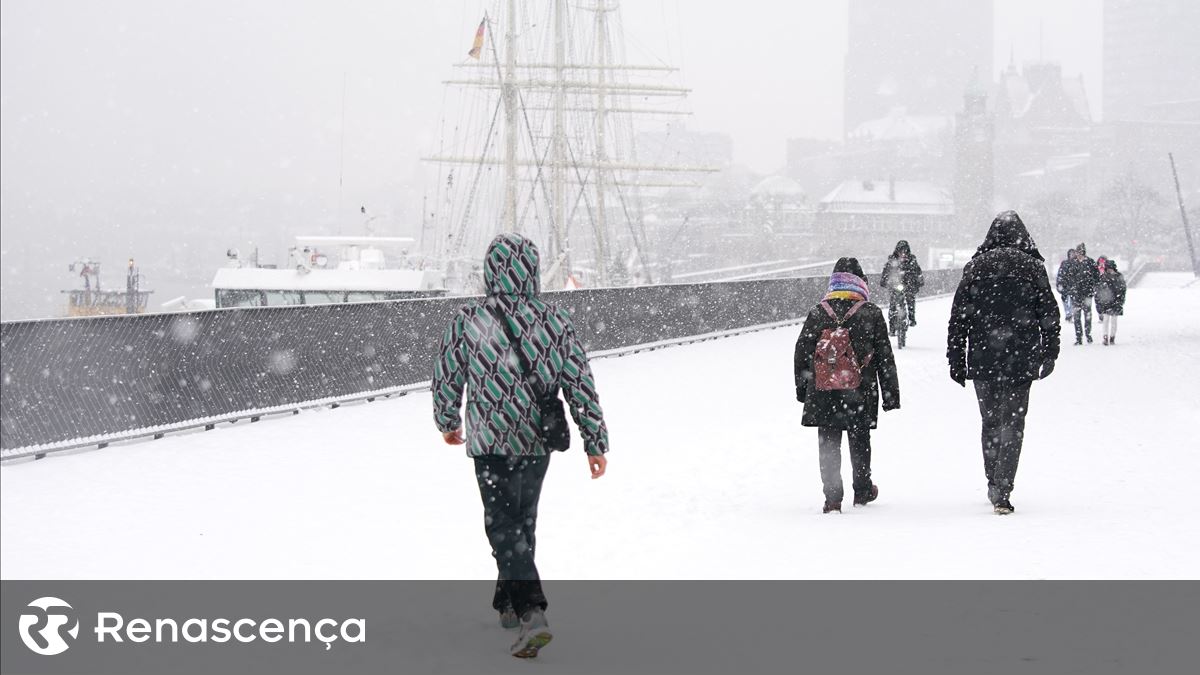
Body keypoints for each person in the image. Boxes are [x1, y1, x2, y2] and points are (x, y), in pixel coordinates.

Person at [432, 233, 610, 658]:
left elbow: (446, 376)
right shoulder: (555, 320)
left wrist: (447, 420)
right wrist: (594, 441)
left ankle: (531, 611)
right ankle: (507, 602)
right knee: (521, 520)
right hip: (536, 439)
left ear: (489, 270)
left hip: (492, 439)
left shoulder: (468, 319)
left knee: (502, 523)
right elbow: (580, 384)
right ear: (532, 269)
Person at [947, 211, 1060, 515]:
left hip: (984, 358)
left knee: (990, 421)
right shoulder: (1033, 268)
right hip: (1021, 359)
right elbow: (1049, 314)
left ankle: (992, 478)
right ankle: (1003, 486)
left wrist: (956, 358)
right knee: (1013, 423)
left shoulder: (976, 267)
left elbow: (959, 318)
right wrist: (1050, 352)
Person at [795, 257, 900, 513]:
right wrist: (890, 394)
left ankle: (832, 498)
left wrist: (803, 389)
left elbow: (802, 351)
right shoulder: (871, 313)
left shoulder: (819, 312)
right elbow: (884, 356)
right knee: (860, 439)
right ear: (860, 282)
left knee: (829, 442)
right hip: (859, 391)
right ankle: (862, 490)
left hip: (823, 390)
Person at [880, 240, 924, 333]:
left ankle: (912, 319)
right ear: (897, 251)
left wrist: (919, 281)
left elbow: (918, 272)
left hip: (909, 285)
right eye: (901, 251)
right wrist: (884, 280)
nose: (903, 254)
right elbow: (886, 272)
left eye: (905, 251)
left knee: (910, 300)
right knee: (893, 305)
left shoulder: (912, 260)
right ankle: (892, 327)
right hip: (895, 285)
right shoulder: (892, 260)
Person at [1064, 243, 1100, 345]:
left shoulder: (1090, 262)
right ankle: (1078, 336)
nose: (1078, 254)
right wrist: (1070, 288)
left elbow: (1096, 277)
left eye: (1080, 252)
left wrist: (1093, 286)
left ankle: (1088, 334)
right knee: (1077, 316)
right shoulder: (1072, 263)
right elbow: (1068, 277)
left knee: (1087, 314)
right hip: (1076, 294)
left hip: (1087, 293)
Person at [1094, 258, 1127, 345]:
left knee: (1113, 321)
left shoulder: (1108, 277)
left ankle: (1112, 336)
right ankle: (1106, 336)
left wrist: (1120, 300)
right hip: (1107, 301)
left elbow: (1122, 290)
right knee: (1106, 320)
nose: (1109, 270)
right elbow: (1099, 291)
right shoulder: (1105, 277)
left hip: (1114, 301)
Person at [1055, 249, 1075, 322]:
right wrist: (1060, 284)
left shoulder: (1076, 263)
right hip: (1065, 285)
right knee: (1065, 300)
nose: (1072, 255)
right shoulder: (1065, 263)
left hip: (1073, 285)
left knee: (1073, 301)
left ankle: (1071, 314)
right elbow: (1060, 274)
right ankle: (1068, 314)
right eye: (1071, 254)